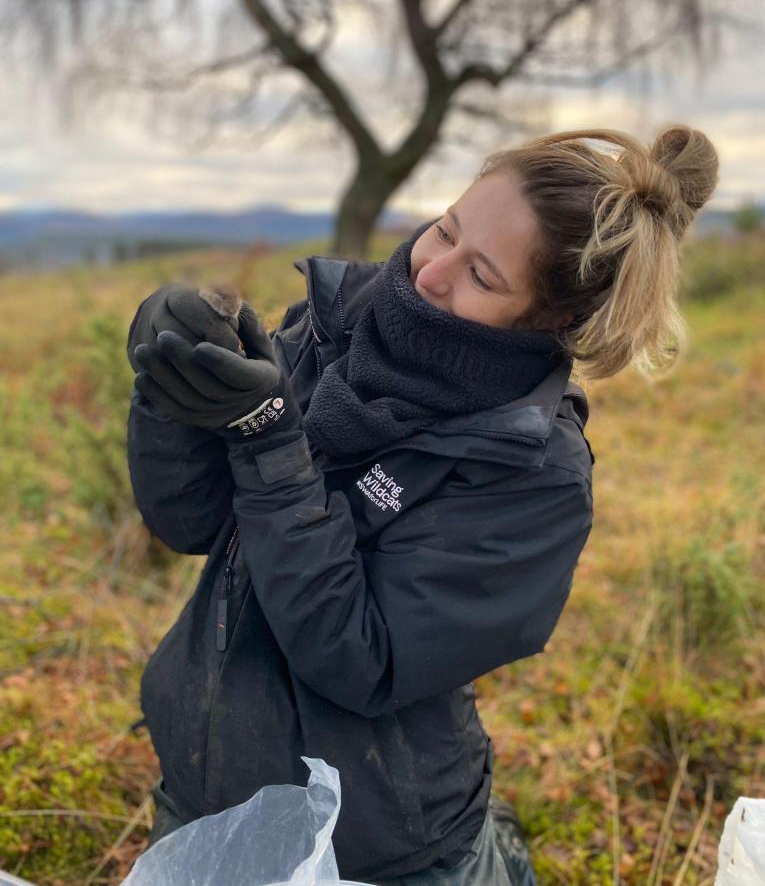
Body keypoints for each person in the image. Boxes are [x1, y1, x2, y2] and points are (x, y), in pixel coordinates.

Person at [126, 124, 719, 885]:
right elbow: (191, 520)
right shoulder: (337, 321)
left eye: (482, 275)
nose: (429, 270)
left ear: (553, 319)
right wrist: (171, 378)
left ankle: (493, 849)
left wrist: (272, 441)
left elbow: (360, 657)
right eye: (446, 227)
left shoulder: (532, 472)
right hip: (203, 791)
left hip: (377, 848)